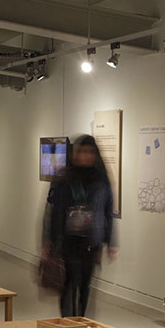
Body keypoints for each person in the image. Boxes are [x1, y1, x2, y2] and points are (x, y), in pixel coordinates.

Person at [44, 135, 116, 318]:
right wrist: (48, 242)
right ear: (75, 154)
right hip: (68, 241)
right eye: (82, 151)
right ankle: (68, 320)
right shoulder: (65, 178)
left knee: (85, 284)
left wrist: (111, 241)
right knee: (70, 282)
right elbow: (53, 212)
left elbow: (108, 210)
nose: (86, 156)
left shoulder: (101, 179)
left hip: (91, 241)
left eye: (90, 152)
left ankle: (81, 319)